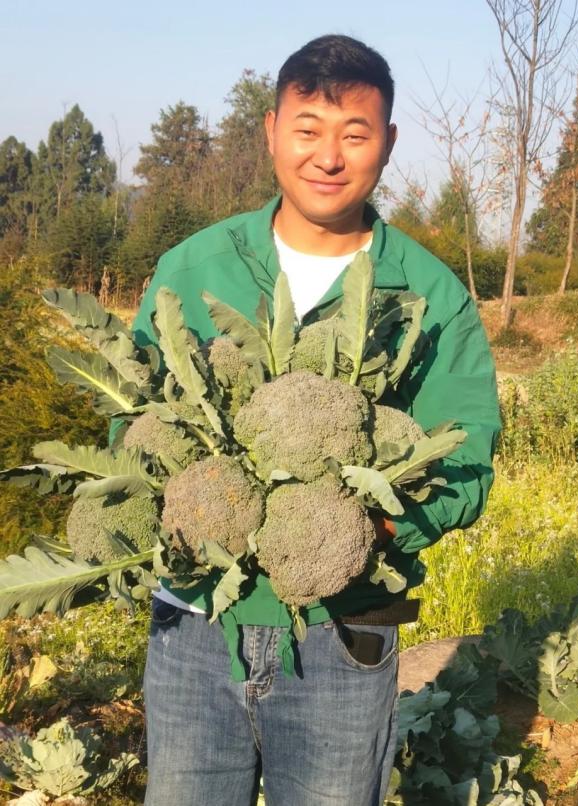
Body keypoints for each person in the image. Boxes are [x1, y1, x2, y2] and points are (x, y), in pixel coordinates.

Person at [132, 34, 501, 806]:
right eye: (307, 129)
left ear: (387, 143)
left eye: (353, 134)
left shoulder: (431, 295)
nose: (327, 156)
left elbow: (465, 464)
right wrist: (188, 508)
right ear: (271, 131)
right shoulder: (192, 269)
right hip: (193, 631)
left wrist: (362, 533)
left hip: (344, 638)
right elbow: (132, 425)